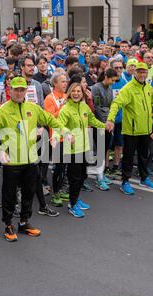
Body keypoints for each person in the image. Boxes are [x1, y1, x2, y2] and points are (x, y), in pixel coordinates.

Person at [0, 77, 70, 242]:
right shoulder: (2, 111)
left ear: (26, 91)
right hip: (11, 162)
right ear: (10, 90)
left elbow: (51, 120)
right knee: (9, 195)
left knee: (28, 193)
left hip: (30, 160)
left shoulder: (33, 108)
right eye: (16, 89)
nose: (19, 92)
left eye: (22, 89)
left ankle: (24, 222)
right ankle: (8, 224)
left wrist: (64, 131)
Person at [106, 63, 153, 195]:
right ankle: (125, 182)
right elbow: (116, 103)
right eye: (139, 72)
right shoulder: (128, 88)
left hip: (146, 130)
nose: (142, 74)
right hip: (131, 130)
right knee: (129, 157)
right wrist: (111, 119)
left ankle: (144, 178)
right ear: (135, 72)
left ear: (147, 73)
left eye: (144, 72)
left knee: (144, 155)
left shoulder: (147, 87)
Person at [58, 82, 107, 217]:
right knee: (75, 178)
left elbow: (92, 120)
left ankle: (76, 198)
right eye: (73, 91)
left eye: (78, 91)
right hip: (72, 150)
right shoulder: (65, 109)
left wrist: (104, 125)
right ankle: (72, 204)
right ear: (69, 93)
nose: (76, 93)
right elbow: (59, 125)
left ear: (82, 93)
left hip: (85, 147)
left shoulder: (84, 106)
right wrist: (67, 133)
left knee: (83, 176)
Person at [44, 71, 69, 207]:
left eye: (66, 81)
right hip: (56, 138)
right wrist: (63, 107)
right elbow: (49, 119)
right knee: (58, 167)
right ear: (55, 83)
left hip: (67, 136)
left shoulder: (66, 96)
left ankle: (60, 190)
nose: (65, 83)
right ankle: (55, 194)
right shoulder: (49, 98)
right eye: (63, 81)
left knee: (64, 166)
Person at [91, 68, 118, 190]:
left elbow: (111, 105)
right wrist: (104, 123)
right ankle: (99, 177)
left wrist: (110, 121)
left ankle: (101, 174)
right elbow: (96, 107)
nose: (113, 82)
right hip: (100, 123)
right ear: (106, 77)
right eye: (112, 80)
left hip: (108, 122)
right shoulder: (96, 88)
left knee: (105, 148)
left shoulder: (110, 88)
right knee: (100, 149)